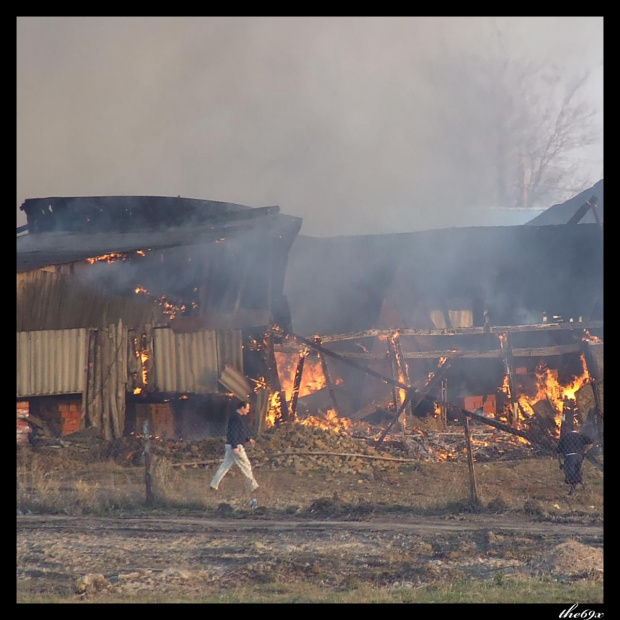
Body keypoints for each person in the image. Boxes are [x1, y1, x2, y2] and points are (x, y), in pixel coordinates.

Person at [210, 400, 259, 498]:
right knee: (246, 464)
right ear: (242, 408)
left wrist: (248, 439)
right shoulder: (235, 418)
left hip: (231, 445)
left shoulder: (237, 417)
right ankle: (253, 486)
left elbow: (239, 432)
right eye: (247, 409)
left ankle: (213, 485)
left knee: (225, 466)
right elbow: (232, 432)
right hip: (236, 446)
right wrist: (234, 446)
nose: (248, 411)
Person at [557, 429, 594, 494]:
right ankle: (581, 485)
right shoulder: (580, 435)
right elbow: (591, 444)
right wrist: (584, 451)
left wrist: (560, 463)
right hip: (579, 456)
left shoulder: (565, 437)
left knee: (570, 472)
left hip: (569, 456)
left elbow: (558, 452)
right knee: (577, 470)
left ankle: (572, 488)